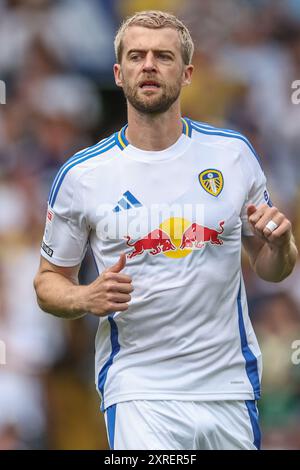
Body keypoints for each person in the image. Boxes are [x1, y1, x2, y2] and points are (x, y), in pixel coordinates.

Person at [34, 10, 298, 450]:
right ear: (119, 74)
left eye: (163, 56)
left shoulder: (232, 155)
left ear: (187, 72)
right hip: (139, 388)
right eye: (136, 56)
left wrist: (282, 244)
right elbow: (47, 282)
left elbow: (272, 268)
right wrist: (84, 296)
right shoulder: (83, 175)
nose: (149, 65)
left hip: (227, 384)